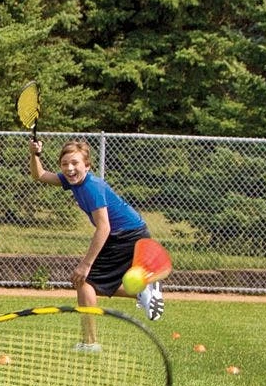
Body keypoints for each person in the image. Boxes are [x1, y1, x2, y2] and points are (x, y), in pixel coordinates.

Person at [27, 137, 164, 347]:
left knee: (85, 281)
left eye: (75, 163)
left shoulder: (91, 187)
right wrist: (35, 154)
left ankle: (90, 343)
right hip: (129, 234)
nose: (70, 168)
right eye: (65, 164)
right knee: (91, 285)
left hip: (126, 235)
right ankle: (142, 292)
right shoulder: (73, 180)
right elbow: (40, 175)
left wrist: (86, 264)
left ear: (87, 166)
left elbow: (104, 227)